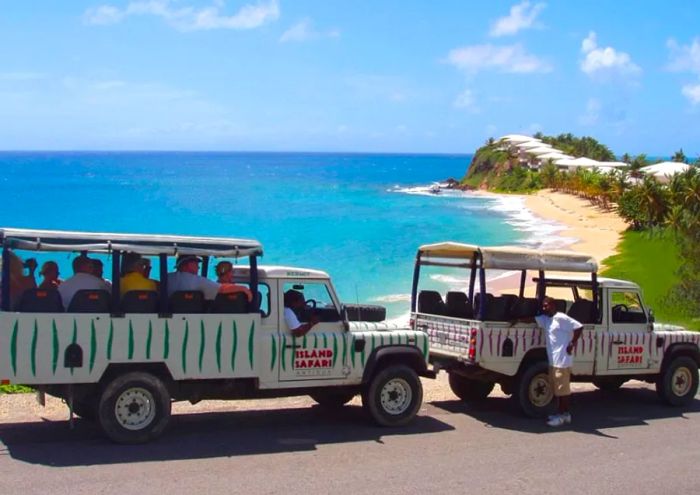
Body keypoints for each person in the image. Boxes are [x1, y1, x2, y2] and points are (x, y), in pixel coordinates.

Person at [514, 296, 583, 427]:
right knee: (556, 389)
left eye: (547, 305)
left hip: (562, 360)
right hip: (553, 360)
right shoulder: (546, 320)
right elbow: (531, 320)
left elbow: (579, 327)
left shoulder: (561, 318)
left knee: (563, 390)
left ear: (553, 305)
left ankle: (564, 415)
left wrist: (572, 343)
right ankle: (561, 414)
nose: (544, 308)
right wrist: (517, 320)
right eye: (543, 306)